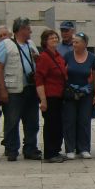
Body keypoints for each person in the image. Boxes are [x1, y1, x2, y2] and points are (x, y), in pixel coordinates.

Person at [0, 17, 40, 162]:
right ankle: (12, 149)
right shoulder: (6, 44)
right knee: (12, 121)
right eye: (28, 28)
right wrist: (2, 90)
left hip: (30, 88)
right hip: (13, 89)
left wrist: (37, 59)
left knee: (32, 121)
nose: (30, 31)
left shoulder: (31, 44)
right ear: (21, 30)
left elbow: (38, 62)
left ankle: (30, 148)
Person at [62, 32, 95, 159]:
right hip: (71, 93)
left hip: (86, 94)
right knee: (70, 120)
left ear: (85, 44)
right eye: (74, 42)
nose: (74, 44)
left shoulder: (92, 58)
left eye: (77, 42)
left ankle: (84, 148)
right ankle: (70, 148)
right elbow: (62, 73)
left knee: (84, 120)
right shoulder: (67, 56)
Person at [34, 29, 68, 163]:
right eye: (51, 38)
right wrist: (43, 100)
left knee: (58, 125)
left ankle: (56, 150)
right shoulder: (44, 57)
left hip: (59, 95)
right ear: (44, 42)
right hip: (50, 96)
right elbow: (39, 79)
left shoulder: (58, 56)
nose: (54, 40)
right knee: (51, 125)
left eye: (55, 38)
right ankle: (50, 152)